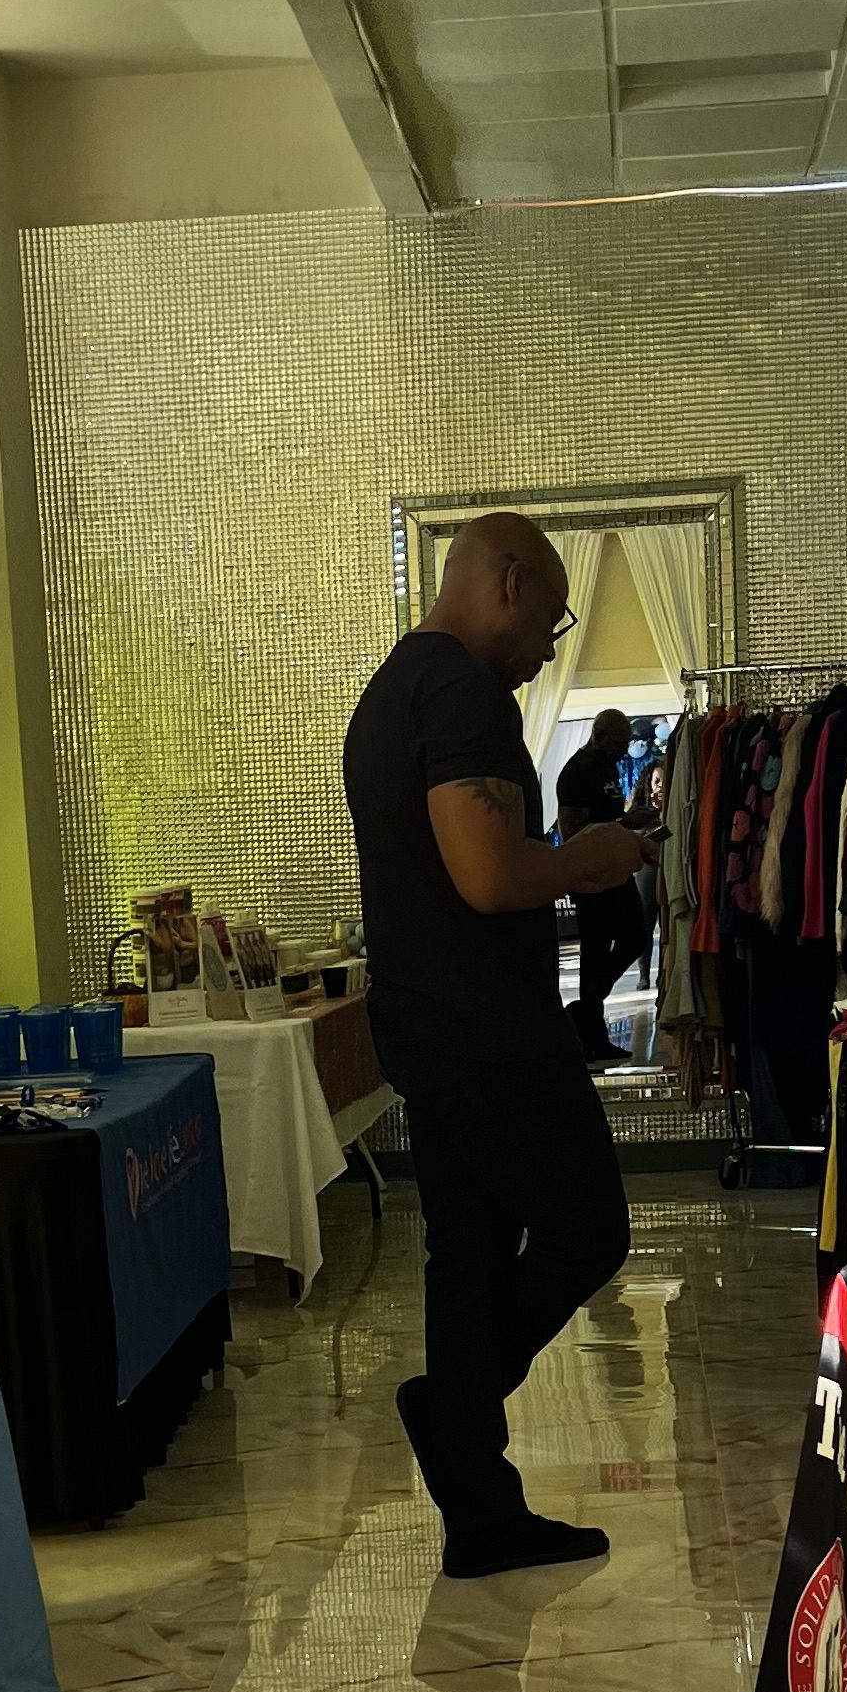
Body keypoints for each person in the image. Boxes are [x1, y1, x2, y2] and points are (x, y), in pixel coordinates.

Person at [342, 512, 655, 1575]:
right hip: (488, 1027)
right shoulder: (463, 695)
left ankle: (479, 1511)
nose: (550, 648)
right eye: (553, 620)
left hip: (425, 1024)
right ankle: (451, 1403)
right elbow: (487, 875)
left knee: (466, 1258)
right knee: (587, 1232)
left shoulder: (391, 694)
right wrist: (589, 856)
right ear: (508, 580)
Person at [550, 706, 649, 1065]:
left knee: (635, 936)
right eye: (620, 743)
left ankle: (588, 1013)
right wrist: (625, 825)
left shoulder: (608, 767)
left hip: (616, 872)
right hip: (591, 877)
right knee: (595, 953)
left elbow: (607, 820)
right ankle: (590, 1027)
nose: (625, 751)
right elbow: (572, 834)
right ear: (600, 736)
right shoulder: (575, 773)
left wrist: (629, 825)